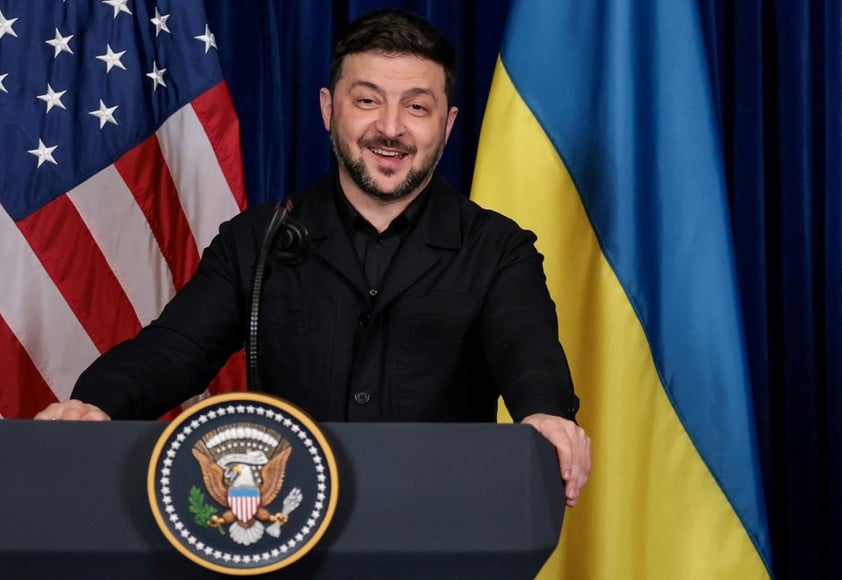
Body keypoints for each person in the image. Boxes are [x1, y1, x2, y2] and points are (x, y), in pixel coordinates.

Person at [35, 9, 591, 506]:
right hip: (284, 528)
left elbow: (529, 355)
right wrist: (95, 404)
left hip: (438, 523)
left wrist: (546, 414)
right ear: (329, 109)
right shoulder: (257, 238)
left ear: (446, 126)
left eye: (417, 107)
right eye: (367, 100)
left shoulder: (499, 250)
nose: (391, 128)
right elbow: (175, 348)